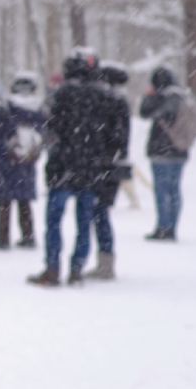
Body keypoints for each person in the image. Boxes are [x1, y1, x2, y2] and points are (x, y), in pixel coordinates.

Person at [29, 48, 118, 287]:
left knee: (54, 221)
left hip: (62, 166)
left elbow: (48, 128)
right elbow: (113, 135)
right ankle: (77, 268)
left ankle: (52, 267)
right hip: (90, 168)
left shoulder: (60, 94)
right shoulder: (106, 97)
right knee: (84, 222)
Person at [0, 72, 45, 249]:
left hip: (6, 160)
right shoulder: (38, 109)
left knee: (4, 202)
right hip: (26, 161)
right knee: (24, 201)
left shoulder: (6, 107)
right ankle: (28, 235)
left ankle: (3, 238)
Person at [139, 66, 196, 241]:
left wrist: (150, 95)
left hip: (161, 150)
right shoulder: (182, 97)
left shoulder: (162, 97)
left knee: (162, 190)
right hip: (179, 149)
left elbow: (145, 112)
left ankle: (164, 227)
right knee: (174, 189)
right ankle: (172, 227)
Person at [87, 65, 131, 279]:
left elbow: (111, 136)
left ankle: (105, 263)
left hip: (104, 166)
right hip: (113, 165)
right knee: (101, 213)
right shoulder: (121, 102)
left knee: (99, 213)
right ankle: (105, 261)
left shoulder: (110, 103)